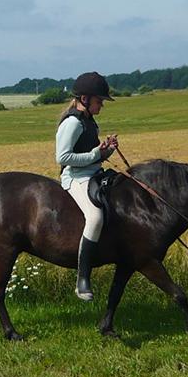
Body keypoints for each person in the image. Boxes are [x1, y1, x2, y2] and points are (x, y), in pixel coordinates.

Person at [55, 71, 119, 301]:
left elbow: (92, 155)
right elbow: (62, 158)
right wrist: (95, 153)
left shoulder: (89, 120)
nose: (102, 104)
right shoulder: (72, 123)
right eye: (99, 100)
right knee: (95, 218)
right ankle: (82, 279)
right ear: (85, 99)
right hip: (75, 178)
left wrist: (107, 150)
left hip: (92, 173)